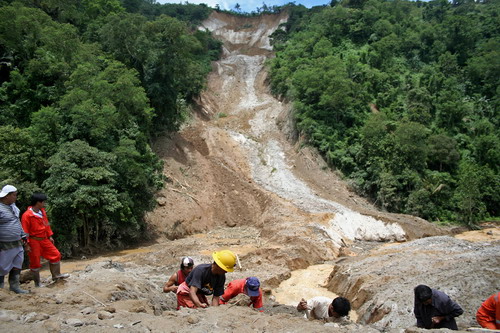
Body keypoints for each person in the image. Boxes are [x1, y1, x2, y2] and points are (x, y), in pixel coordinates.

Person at [21, 192, 69, 287]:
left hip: (44, 239)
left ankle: (56, 276)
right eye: (43, 202)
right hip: (33, 240)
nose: (44, 204)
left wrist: (50, 236)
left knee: (55, 255)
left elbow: (46, 224)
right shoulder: (27, 215)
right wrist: (27, 244)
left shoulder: (42, 212)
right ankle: (37, 283)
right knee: (35, 261)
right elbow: (24, 232)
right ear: (37, 202)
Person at [0, 185, 29, 294]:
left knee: (17, 263)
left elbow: (17, 222)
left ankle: (14, 286)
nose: (15, 197)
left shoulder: (13, 207)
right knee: (2, 265)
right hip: (4, 243)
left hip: (17, 242)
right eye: (14, 195)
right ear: (6, 196)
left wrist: (23, 235)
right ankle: (1, 289)